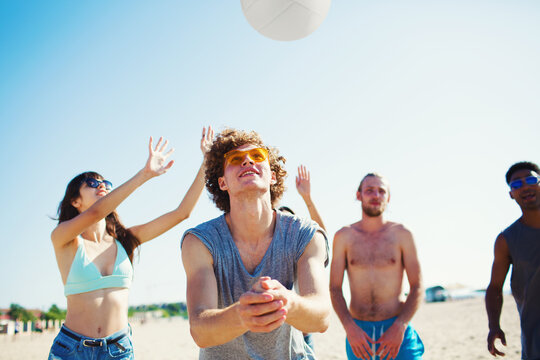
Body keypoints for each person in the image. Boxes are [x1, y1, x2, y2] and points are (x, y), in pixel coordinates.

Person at [48, 127, 213, 360]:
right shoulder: (63, 239)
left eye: (105, 182)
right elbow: (95, 213)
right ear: (74, 200)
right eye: (92, 184)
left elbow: (182, 213)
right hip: (71, 350)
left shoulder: (126, 241)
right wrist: (145, 174)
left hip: (118, 350)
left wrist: (206, 162)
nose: (102, 185)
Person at [181, 128, 330, 360]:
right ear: (222, 183)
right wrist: (243, 314)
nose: (248, 160)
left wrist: (286, 302)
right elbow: (200, 329)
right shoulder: (200, 241)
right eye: (235, 159)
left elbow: (321, 318)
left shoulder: (305, 234)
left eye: (257, 156)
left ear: (272, 176)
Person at [330, 173, 424, 360]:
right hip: (358, 334)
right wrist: (349, 328)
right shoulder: (344, 236)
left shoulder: (402, 234)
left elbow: (417, 286)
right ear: (359, 195)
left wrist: (400, 326)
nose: (376, 195)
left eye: (381, 191)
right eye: (369, 190)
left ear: (388, 198)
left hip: (397, 330)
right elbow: (334, 288)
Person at [486, 161, 540, 359]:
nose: (525, 186)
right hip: (536, 337)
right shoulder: (506, 240)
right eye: (516, 184)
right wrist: (494, 326)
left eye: (531, 179)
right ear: (511, 194)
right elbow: (494, 287)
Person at [279, 165, 327, 352]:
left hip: (304, 335)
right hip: (277, 337)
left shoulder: (306, 254)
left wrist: (307, 199)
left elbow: (322, 237)